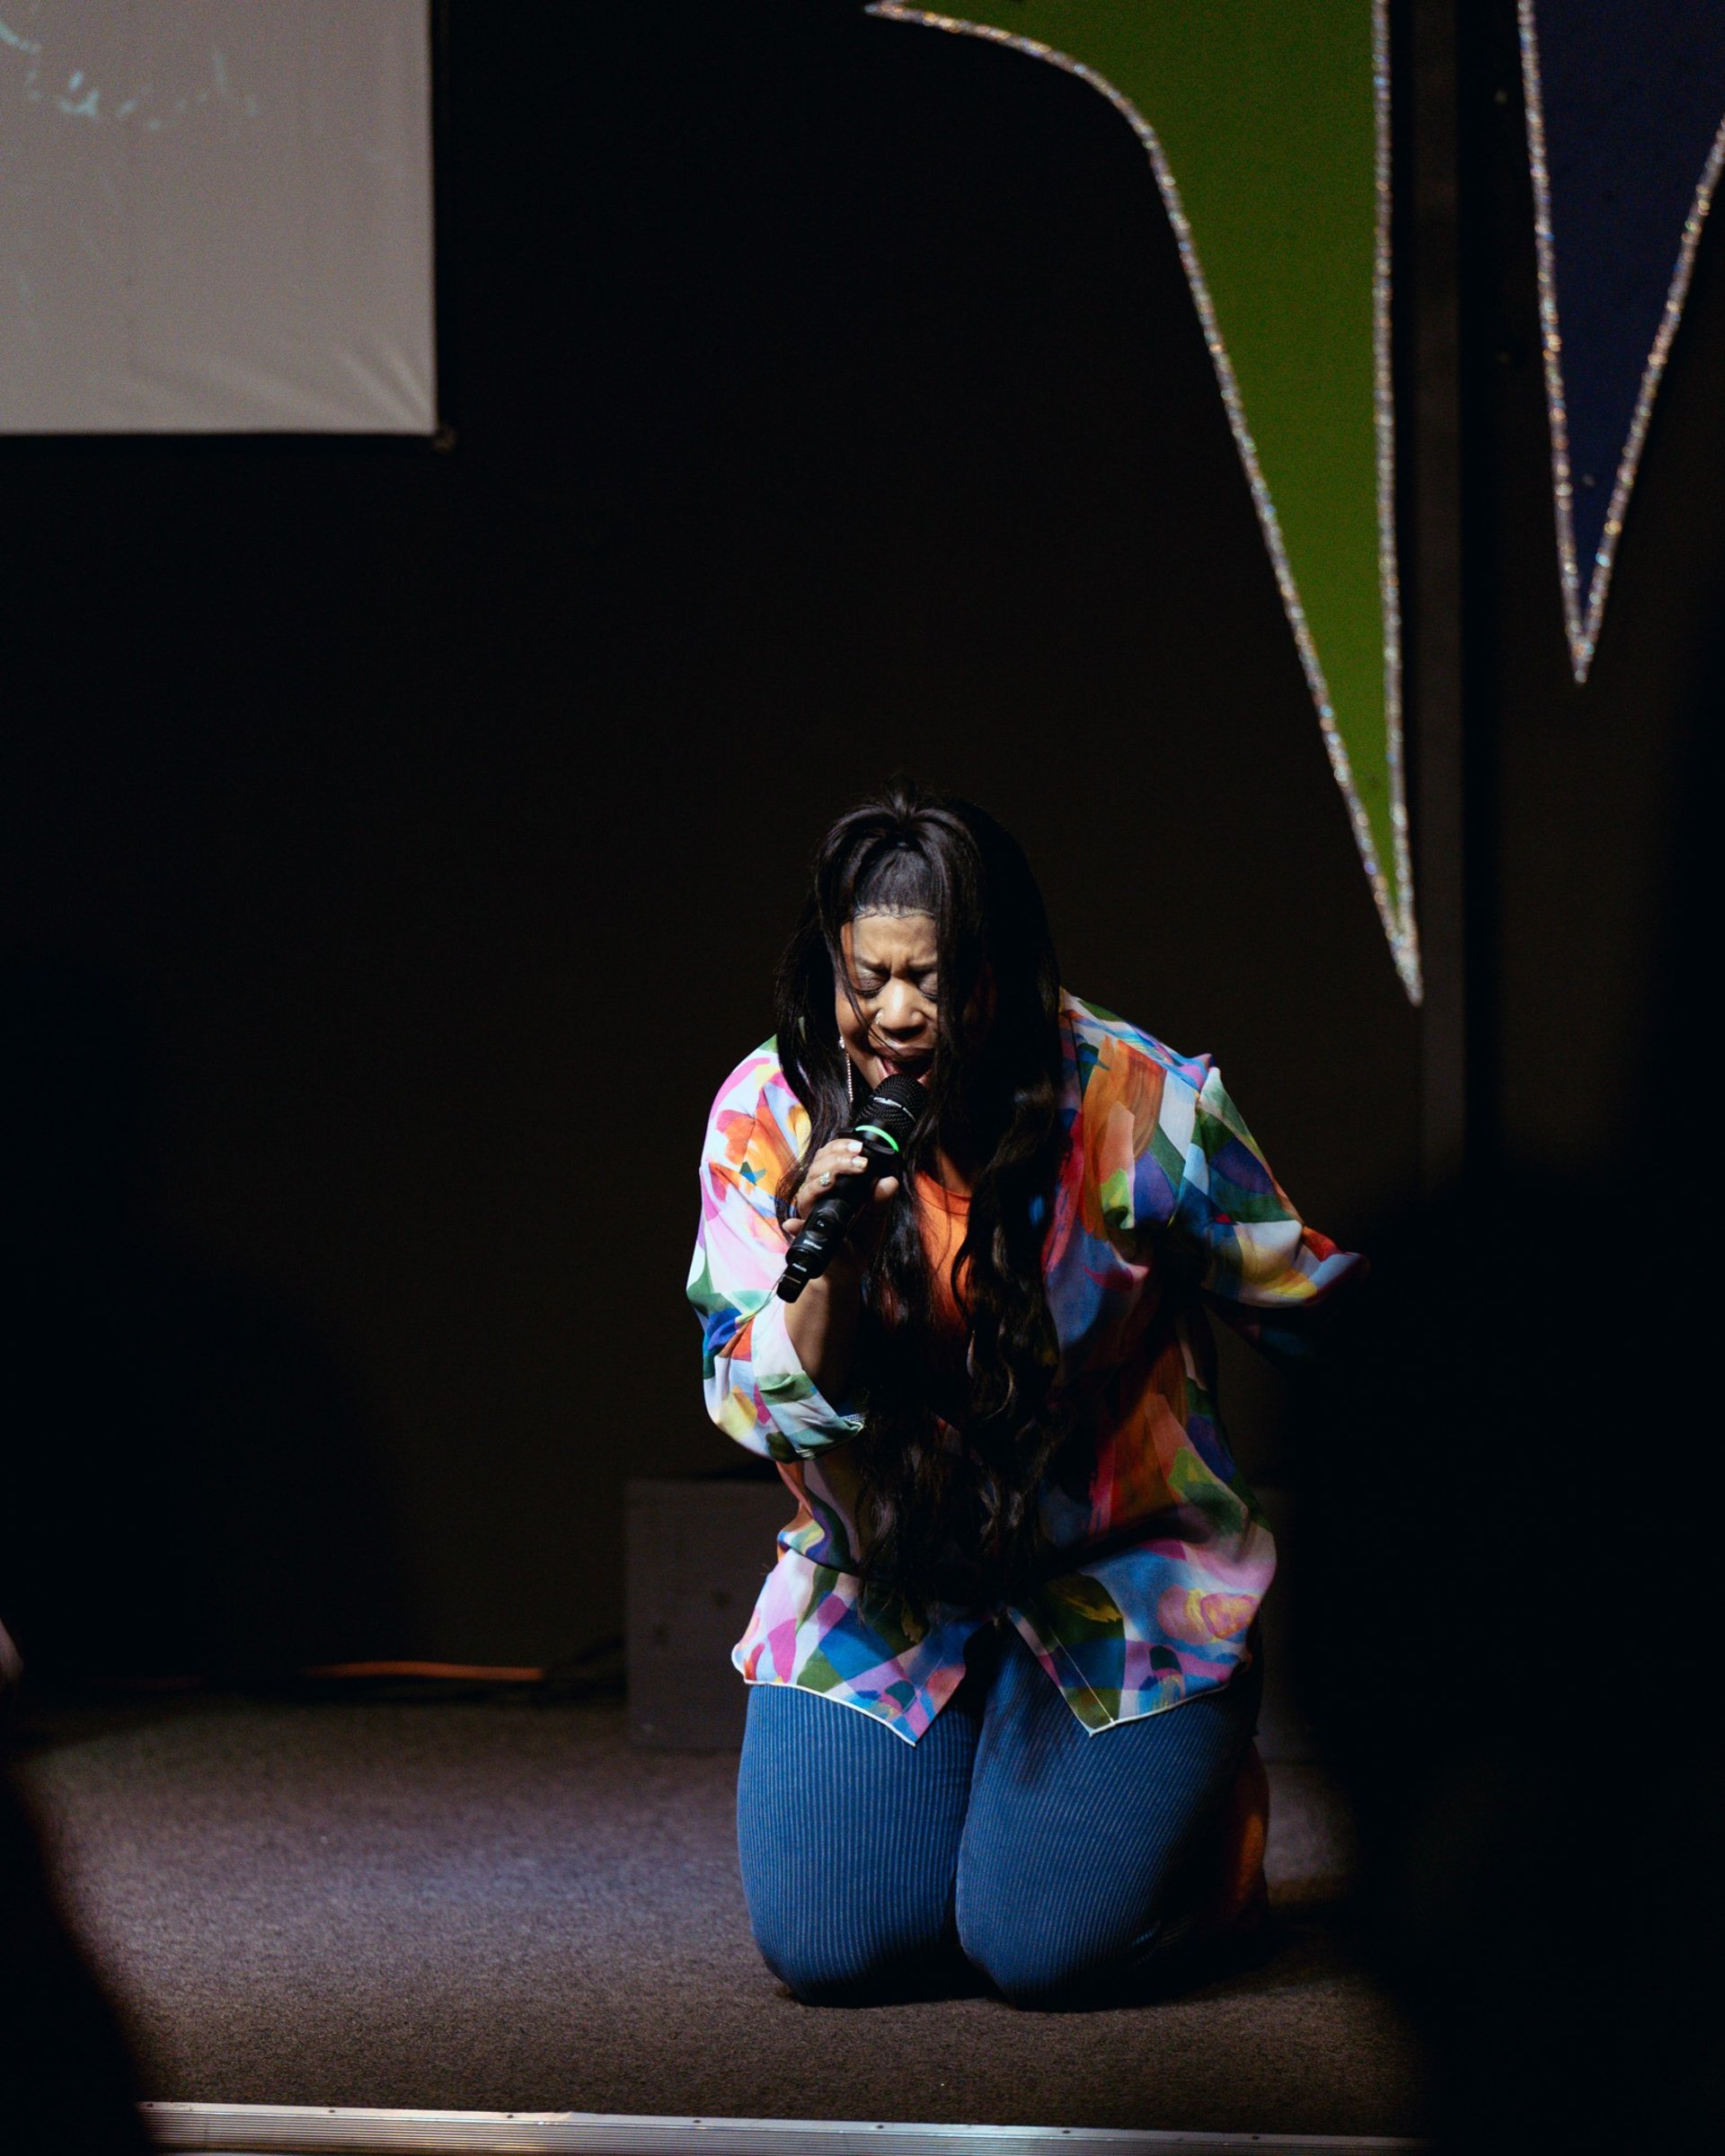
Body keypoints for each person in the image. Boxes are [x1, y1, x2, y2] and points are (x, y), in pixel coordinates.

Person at [687, 779, 1360, 2007]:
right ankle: (992, 1789)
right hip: (887, 1585)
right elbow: (753, 1403)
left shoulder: (1138, 1104)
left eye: (929, 979)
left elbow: (1312, 1305)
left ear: (998, 972)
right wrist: (825, 1272)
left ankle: (1211, 1828)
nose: (893, 1014)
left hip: (1120, 1580)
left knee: (1042, 1956)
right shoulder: (768, 1115)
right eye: (863, 977)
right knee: (830, 1952)